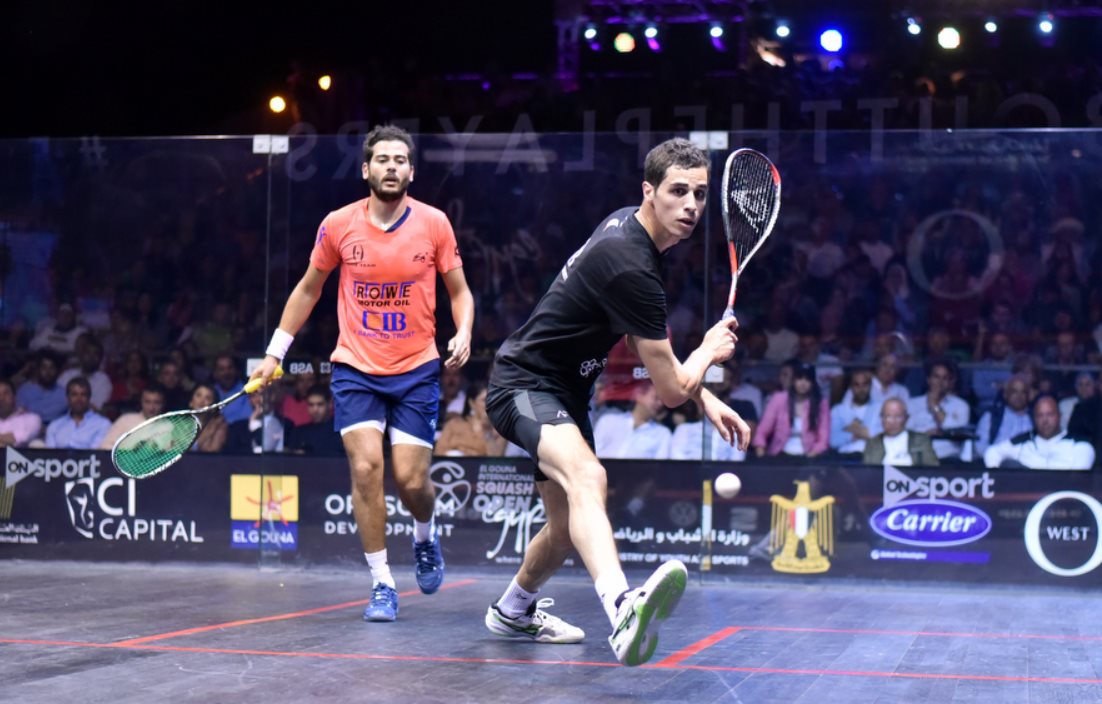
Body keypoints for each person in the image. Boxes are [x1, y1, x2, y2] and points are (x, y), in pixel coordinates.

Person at [483, 138, 749, 666]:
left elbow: (638, 340)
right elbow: (669, 390)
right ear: (649, 191)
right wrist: (707, 352)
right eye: (678, 191)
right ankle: (623, 608)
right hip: (524, 385)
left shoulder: (631, 231)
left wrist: (705, 398)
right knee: (589, 477)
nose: (691, 205)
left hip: (565, 392)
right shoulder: (631, 265)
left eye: (699, 194)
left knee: (565, 528)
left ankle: (512, 610)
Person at [250, 124, 474, 623]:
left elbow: (459, 292)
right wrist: (275, 353)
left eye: (400, 160)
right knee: (367, 469)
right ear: (366, 169)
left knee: (411, 481)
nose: (392, 167)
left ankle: (424, 536)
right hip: (355, 368)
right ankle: (382, 583)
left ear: (411, 172)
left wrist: (463, 331)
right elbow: (308, 289)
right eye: (383, 160)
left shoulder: (435, 224)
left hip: (416, 368)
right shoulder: (338, 224)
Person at [983, 395, 1095, 470]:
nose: (1045, 420)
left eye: (1050, 414)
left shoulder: (1079, 445)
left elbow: (1079, 477)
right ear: (1034, 419)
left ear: (1059, 416)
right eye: (1040, 416)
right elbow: (992, 452)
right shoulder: (1023, 442)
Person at [752, 362, 830, 458]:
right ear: (793, 380)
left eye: (807, 380)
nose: (803, 383)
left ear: (813, 383)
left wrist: (811, 456)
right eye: (799, 378)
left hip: (809, 456)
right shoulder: (779, 398)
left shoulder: (821, 403)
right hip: (780, 455)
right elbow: (762, 430)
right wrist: (761, 454)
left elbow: (823, 438)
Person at [593, 381, 672, 460]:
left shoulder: (662, 433)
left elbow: (659, 465)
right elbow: (592, 453)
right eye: (656, 398)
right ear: (639, 395)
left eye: (662, 400)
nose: (660, 403)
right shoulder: (608, 421)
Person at [434, 382, 507, 457]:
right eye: (484, 400)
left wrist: (488, 432)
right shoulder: (454, 425)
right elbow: (439, 452)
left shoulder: (500, 430)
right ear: (472, 403)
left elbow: (496, 459)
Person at [863, 398, 939, 467]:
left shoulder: (921, 440)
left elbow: (933, 469)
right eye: (888, 416)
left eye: (898, 417)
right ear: (881, 418)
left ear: (906, 418)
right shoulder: (872, 443)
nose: (892, 422)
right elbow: (868, 472)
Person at [44, 377, 111, 450]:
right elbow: (50, 455)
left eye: (83, 395)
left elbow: (95, 454)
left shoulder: (102, 424)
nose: (79, 399)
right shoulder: (54, 426)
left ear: (89, 398)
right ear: (67, 397)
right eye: (74, 394)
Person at [99, 385, 167, 450]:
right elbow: (104, 446)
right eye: (147, 402)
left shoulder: (169, 426)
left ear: (163, 404)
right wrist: (128, 454)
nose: (151, 407)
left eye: (156, 402)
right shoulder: (125, 420)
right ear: (141, 402)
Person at [829, 368, 879, 457]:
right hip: (844, 457)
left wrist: (848, 429)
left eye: (865, 384)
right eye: (857, 385)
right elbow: (832, 441)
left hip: (872, 458)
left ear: (870, 386)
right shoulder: (838, 410)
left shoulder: (880, 408)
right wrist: (857, 434)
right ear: (851, 387)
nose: (861, 389)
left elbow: (882, 437)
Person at [285, 385, 344, 456]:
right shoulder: (298, 433)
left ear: (330, 404)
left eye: (320, 404)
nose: (315, 410)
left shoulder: (342, 433)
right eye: (311, 405)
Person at [0, 378, 42, 448]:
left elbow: (18, 439)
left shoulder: (32, 419)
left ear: (14, 396)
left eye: (6, 393)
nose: (1, 398)